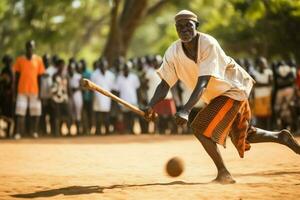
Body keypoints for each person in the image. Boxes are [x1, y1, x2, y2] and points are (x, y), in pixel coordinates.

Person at [143, 10, 300, 184]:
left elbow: (203, 82)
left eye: (188, 25)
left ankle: (224, 173)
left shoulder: (208, 44)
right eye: (180, 27)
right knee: (243, 135)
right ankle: (281, 137)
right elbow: (165, 83)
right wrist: (151, 105)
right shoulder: (173, 52)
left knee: (199, 127)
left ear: (197, 26)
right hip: (218, 96)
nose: (184, 29)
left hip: (232, 90)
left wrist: (186, 110)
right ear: (175, 29)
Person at [13, 40, 45, 139]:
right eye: (28, 47)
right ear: (26, 48)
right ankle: (18, 133)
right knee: (20, 112)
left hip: (35, 91)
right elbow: (17, 77)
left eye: (31, 47)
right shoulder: (19, 60)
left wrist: (40, 92)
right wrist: (15, 92)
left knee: (35, 113)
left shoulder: (38, 60)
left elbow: (40, 78)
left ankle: (34, 132)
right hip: (22, 90)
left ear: (34, 48)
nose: (30, 48)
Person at [91, 58, 115, 135]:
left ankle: (107, 131)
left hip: (107, 99)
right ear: (99, 66)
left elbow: (113, 88)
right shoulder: (94, 74)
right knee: (98, 116)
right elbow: (91, 87)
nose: (103, 67)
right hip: (97, 98)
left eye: (104, 66)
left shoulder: (111, 75)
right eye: (101, 66)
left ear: (107, 66)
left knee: (106, 117)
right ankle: (98, 131)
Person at [116, 61, 140, 134]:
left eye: (127, 69)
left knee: (132, 116)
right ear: (122, 69)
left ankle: (132, 130)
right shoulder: (119, 78)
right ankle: (126, 130)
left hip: (133, 100)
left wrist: (139, 100)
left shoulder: (134, 77)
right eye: (124, 69)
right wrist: (118, 101)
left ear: (129, 69)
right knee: (125, 116)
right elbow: (117, 91)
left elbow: (137, 89)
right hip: (123, 101)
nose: (126, 70)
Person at [252, 57, 273, 130]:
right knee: (259, 114)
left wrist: (259, 84)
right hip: (258, 96)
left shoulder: (269, 72)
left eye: (264, 63)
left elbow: (270, 83)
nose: (263, 65)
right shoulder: (254, 73)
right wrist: (265, 84)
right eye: (262, 63)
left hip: (267, 95)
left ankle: (268, 129)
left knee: (267, 114)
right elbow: (255, 84)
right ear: (258, 64)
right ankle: (260, 129)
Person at [51, 59, 70, 136]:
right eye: (60, 65)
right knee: (57, 116)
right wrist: (52, 99)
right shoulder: (54, 75)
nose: (62, 67)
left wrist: (68, 97)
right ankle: (57, 132)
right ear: (57, 66)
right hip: (56, 99)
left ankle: (67, 131)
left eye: (63, 65)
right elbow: (52, 88)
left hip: (64, 98)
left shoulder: (66, 76)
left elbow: (67, 87)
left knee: (66, 116)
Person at [0, 55, 14, 138]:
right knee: (5, 115)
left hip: (9, 97)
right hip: (3, 96)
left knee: (9, 115)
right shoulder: (4, 70)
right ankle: (6, 132)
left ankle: (8, 133)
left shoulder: (11, 70)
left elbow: (11, 84)